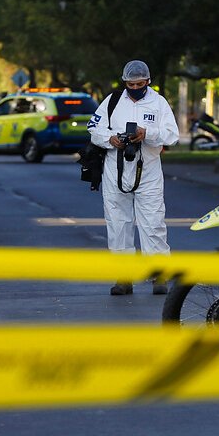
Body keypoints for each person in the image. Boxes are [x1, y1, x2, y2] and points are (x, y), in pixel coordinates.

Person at [87, 60, 180, 294]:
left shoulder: (158, 103)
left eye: (140, 83)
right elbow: (93, 129)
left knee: (153, 223)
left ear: (148, 82)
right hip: (115, 170)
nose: (135, 87)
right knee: (118, 223)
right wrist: (111, 138)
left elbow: (172, 135)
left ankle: (159, 276)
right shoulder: (113, 101)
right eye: (131, 84)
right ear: (124, 82)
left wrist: (146, 133)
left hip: (147, 170)